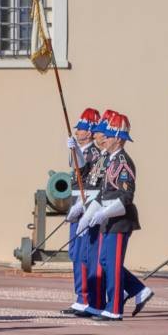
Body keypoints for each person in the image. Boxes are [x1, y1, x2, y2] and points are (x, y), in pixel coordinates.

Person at [77, 113, 151, 320]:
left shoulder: (123, 162)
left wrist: (103, 213)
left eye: (108, 136)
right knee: (105, 260)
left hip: (119, 220)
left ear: (118, 138)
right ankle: (115, 302)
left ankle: (115, 307)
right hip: (108, 218)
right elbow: (102, 194)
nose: (104, 139)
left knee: (112, 262)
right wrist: (89, 215)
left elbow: (125, 196)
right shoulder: (109, 160)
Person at [61, 108, 104, 316]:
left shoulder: (93, 152)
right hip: (76, 204)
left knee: (82, 255)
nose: (77, 131)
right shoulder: (81, 150)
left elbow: (84, 166)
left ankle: (85, 297)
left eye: (81, 129)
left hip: (86, 206)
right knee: (75, 254)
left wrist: (75, 150)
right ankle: (81, 295)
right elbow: (75, 164)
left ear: (89, 132)